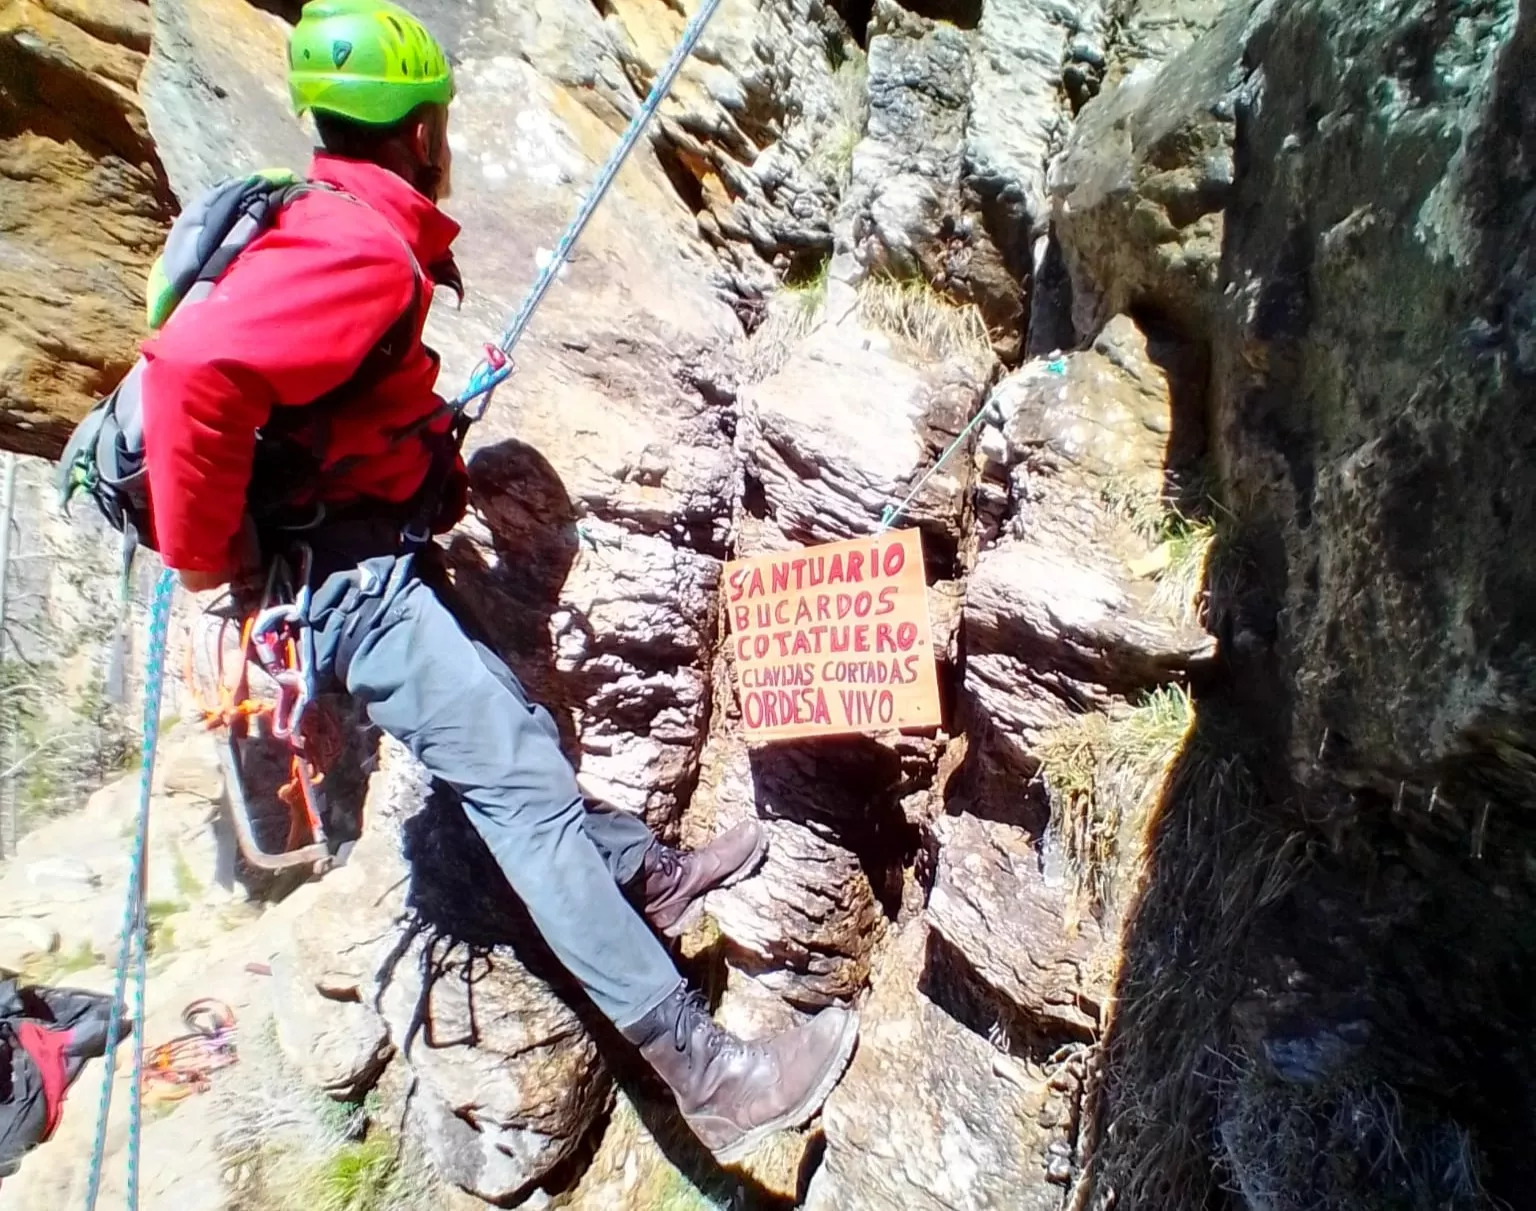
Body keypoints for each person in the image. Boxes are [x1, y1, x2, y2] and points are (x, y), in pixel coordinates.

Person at [137, 0, 858, 1165]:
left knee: (516, 728)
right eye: (441, 122)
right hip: (345, 586)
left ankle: (652, 875)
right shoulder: (357, 245)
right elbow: (190, 373)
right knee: (523, 794)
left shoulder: (330, 220)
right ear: (422, 129)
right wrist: (212, 570)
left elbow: (314, 394)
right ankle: (708, 1073)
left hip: (359, 557)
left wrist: (423, 424)